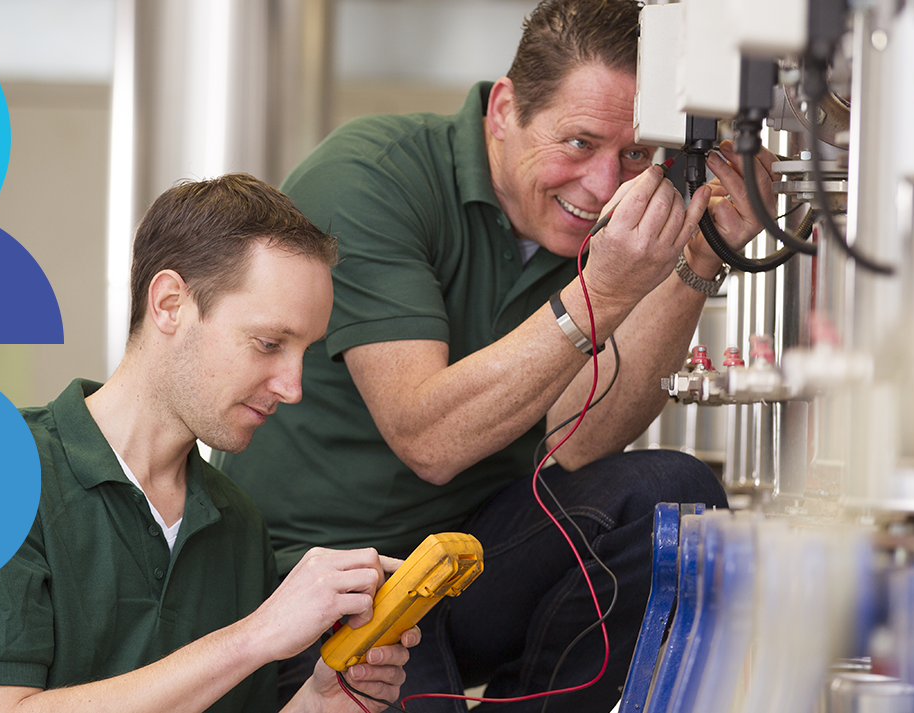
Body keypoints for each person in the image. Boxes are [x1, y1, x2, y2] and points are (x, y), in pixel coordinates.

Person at [219, 1, 778, 711]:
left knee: (675, 495)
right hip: (329, 578)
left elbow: (581, 440)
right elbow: (428, 439)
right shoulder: (371, 176)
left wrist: (698, 258)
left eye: (635, 155)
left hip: (467, 559)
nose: (604, 185)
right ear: (505, 109)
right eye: (579, 142)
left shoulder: (595, 227)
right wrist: (602, 293)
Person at [0, 174, 419, 713]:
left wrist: (321, 700)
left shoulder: (239, 525)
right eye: (269, 343)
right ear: (170, 304)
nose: (293, 388)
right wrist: (256, 635)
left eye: (305, 352)